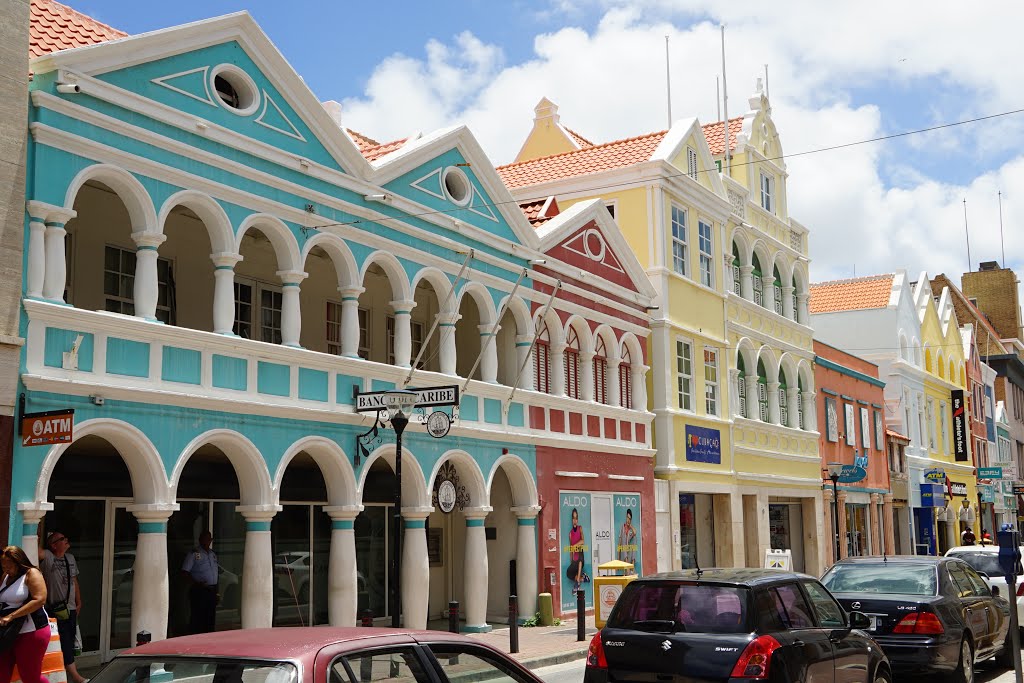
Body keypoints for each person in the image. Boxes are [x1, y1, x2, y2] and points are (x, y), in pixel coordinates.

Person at [39, 531, 85, 683]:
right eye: (61, 539)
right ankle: (76, 677)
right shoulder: (49, 556)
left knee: (69, 641)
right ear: (53, 545)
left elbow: (74, 580)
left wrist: (78, 602)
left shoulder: (70, 558)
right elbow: (36, 552)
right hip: (56, 608)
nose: (66, 540)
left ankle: (65, 672)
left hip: (70, 608)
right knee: (64, 641)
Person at [0, 546, 50, 683]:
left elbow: (40, 599)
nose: (6, 569)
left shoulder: (31, 573)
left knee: (30, 677)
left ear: (19, 562)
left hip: (31, 632)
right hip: (7, 633)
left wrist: (11, 616)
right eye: (3, 566)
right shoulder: (6, 576)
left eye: (9, 566)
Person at [181, 530, 219, 634]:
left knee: (210, 616)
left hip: (211, 590)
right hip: (200, 590)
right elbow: (185, 572)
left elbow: (215, 573)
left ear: (211, 540)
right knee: (198, 617)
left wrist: (217, 592)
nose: (207, 541)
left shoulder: (212, 554)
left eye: (209, 539)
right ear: (200, 540)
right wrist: (196, 583)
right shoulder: (194, 553)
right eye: (204, 539)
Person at [564, 508, 590, 593]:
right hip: (574, 562)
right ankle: (582, 578)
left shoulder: (580, 528)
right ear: (572, 520)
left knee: (579, 549)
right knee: (568, 573)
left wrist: (575, 546)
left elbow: (582, 541)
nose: (575, 520)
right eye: (573, 518)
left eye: (576, 518)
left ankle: (578, 582)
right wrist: (571, 559)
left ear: (577, 520)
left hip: (580, 561)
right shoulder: (570, 534)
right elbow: (571, 549)